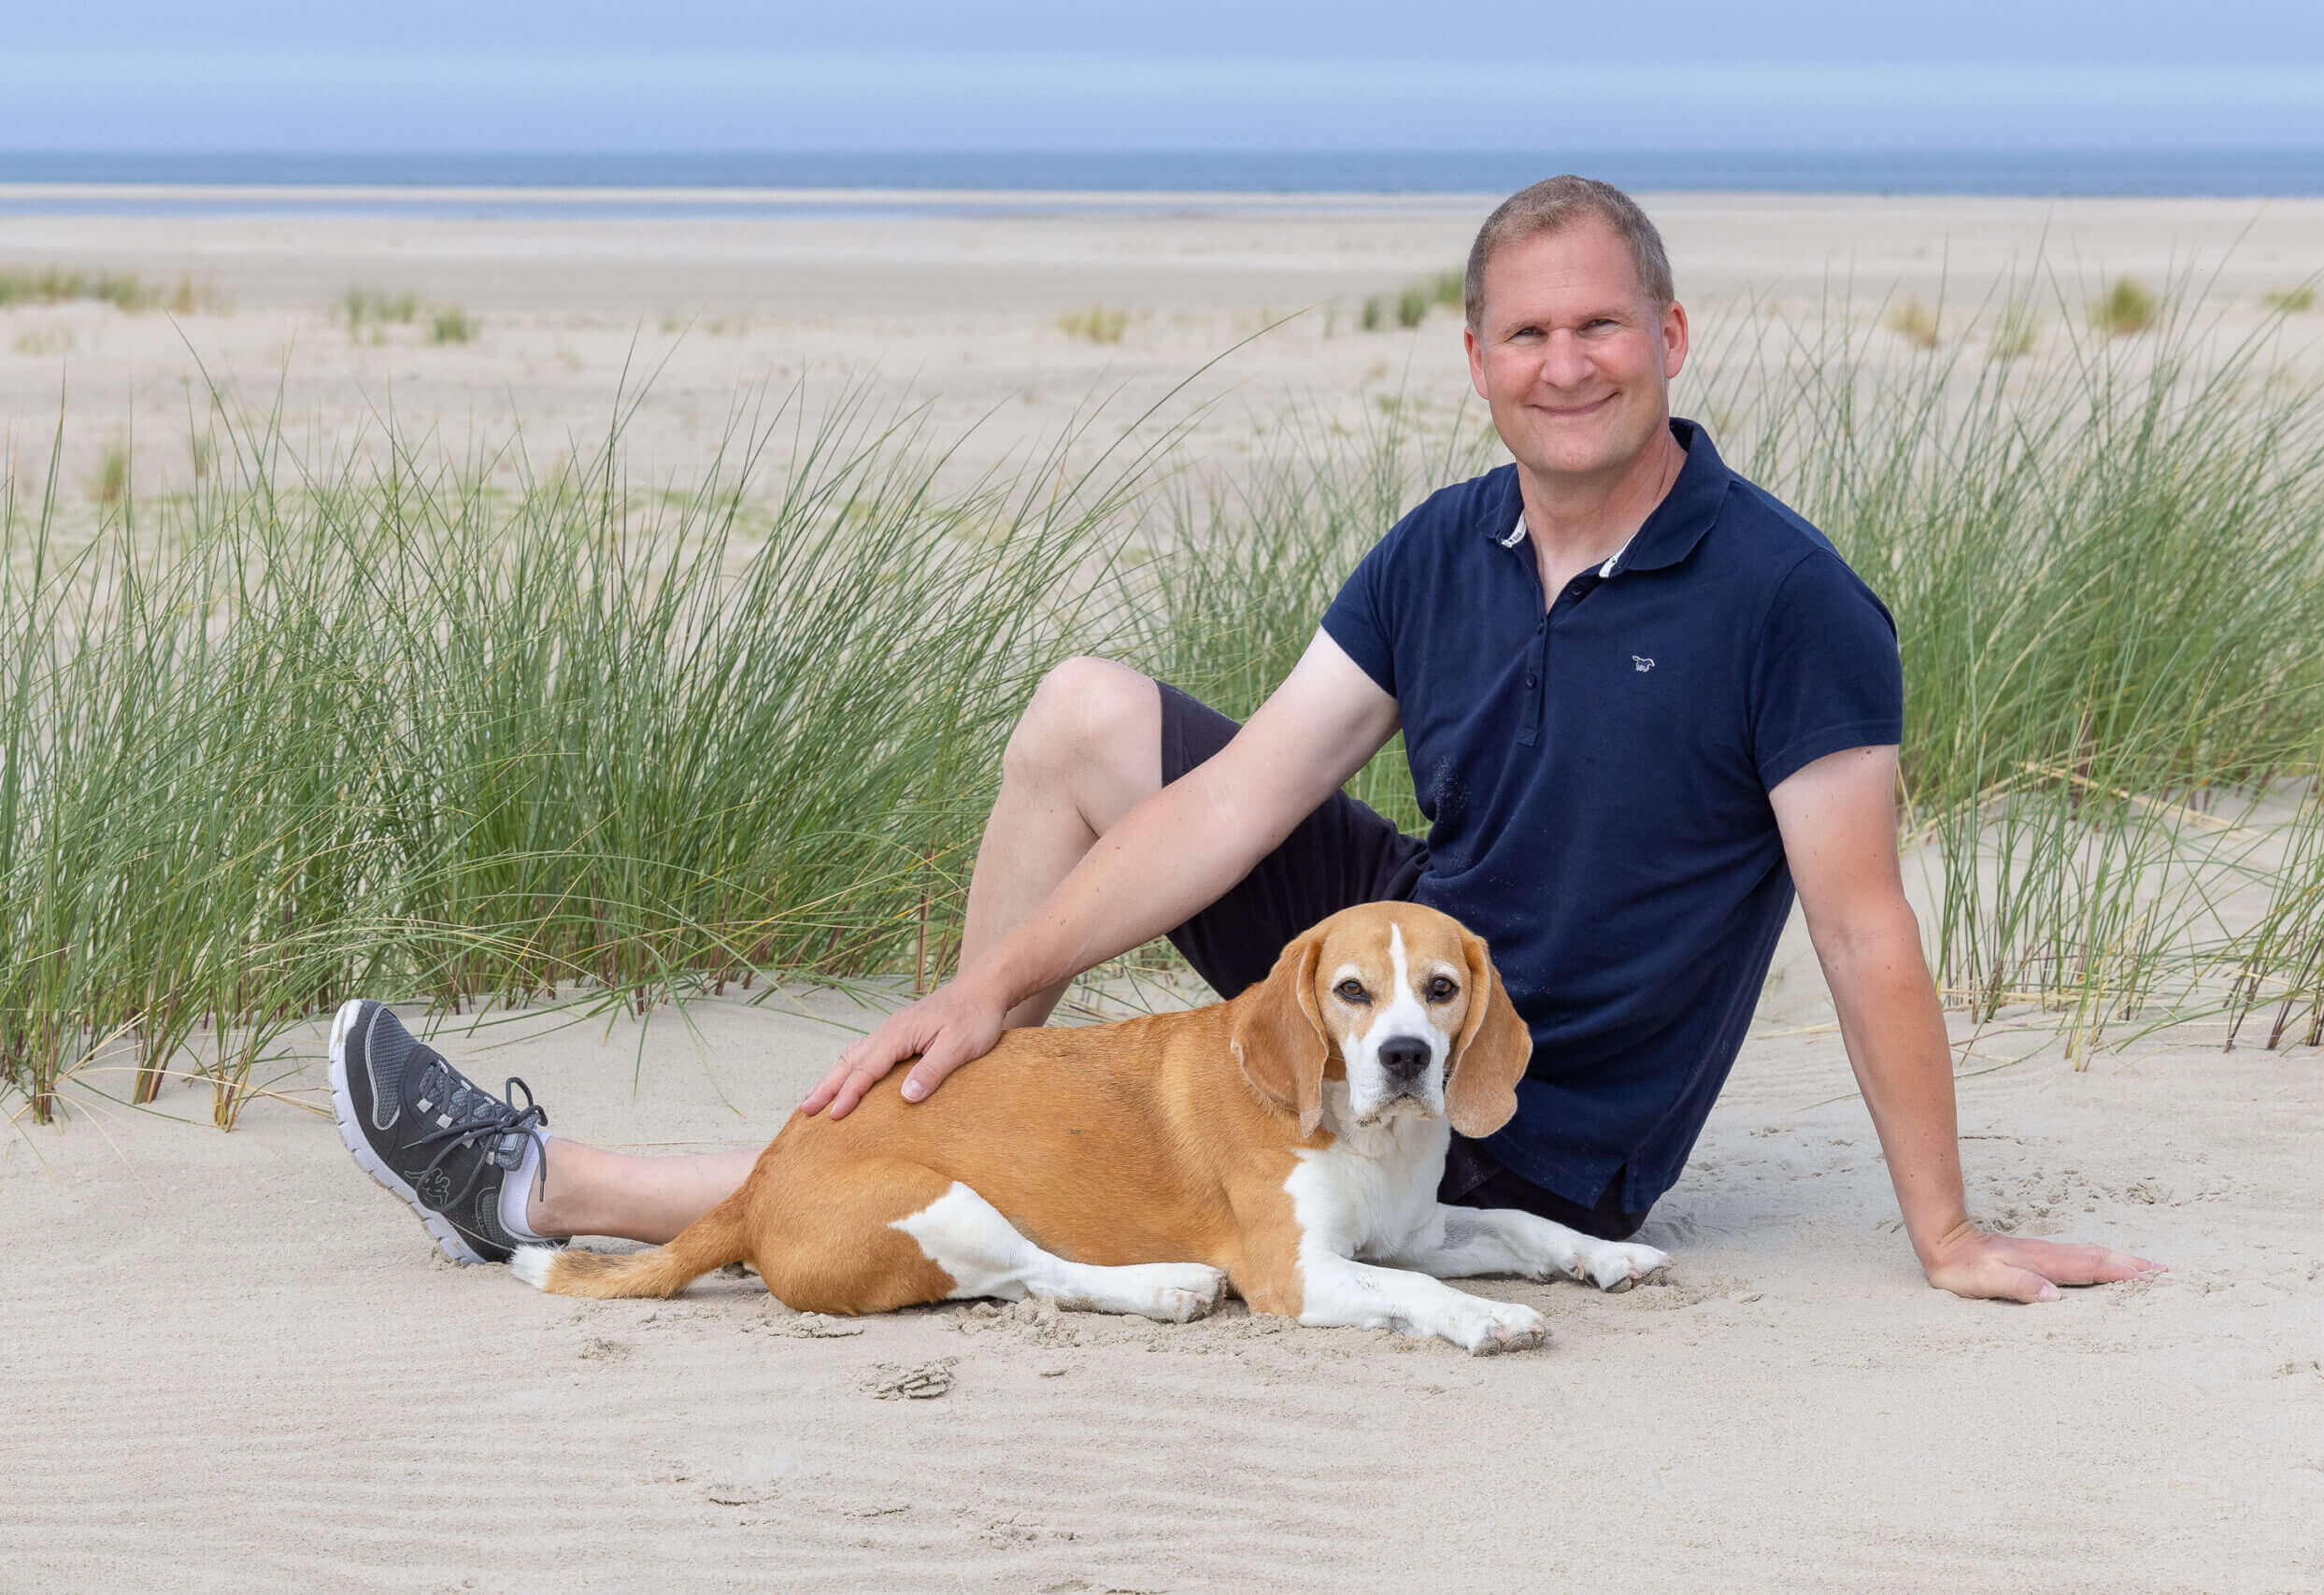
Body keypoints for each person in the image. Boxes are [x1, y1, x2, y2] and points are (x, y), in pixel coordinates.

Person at [332, 175, 2158, 1303]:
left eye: (1603, 321)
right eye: (1526, 331)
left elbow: (1857, 924)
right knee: (1081, 714)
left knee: (1177, 1078)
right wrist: (992, 994)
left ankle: (553, 1186)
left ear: (1668, 334)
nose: (1567, 360)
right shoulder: (1443, 546)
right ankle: (953, 1135)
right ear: (1474, 357)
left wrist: (1945, 1226)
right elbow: (1241, 796)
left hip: (1524, 1089)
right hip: (1399, 960)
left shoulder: (1784, 596)